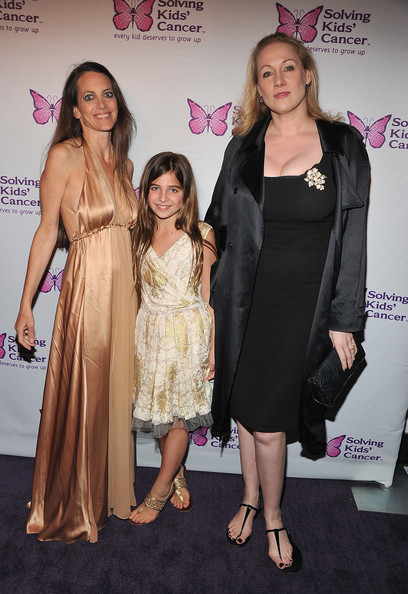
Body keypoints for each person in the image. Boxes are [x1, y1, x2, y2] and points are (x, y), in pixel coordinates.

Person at [205, 32, 369, 572]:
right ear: (257, 86)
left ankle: (273, 517)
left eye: (288, 67)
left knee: (270, 420)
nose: (278, 80)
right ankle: (250, 499)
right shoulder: (242, 147)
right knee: (245, 408)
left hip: (303, 308)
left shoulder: (342, 144)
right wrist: (204, 292)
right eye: (266, 72)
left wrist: (345, 319)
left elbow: (354, 237)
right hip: (241, 302)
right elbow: (215, 225)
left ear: (307, 74)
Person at [15, 62, 138, 543]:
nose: (101, 104)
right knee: (87, 390)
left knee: (117, 392)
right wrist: (26, 304)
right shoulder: (65, 156)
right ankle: (76, 501)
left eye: (108, 94)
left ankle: (106, 490)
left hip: (126, 292)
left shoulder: (125, 166)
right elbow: (48, 231)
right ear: (74, 109)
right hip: (89, 290)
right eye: (89, 97)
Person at [128, 152, 216, 525]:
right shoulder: (137, 232)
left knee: (178, 417)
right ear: (145, 191)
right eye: (155, 188)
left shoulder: (202, 234)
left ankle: (159, 491)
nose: (163, 198)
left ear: (186, 193)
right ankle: (177, 472)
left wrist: (213, 349)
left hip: (188, 335)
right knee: (160, 415)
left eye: (173, 189)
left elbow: (210, 298)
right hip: (149, 333)